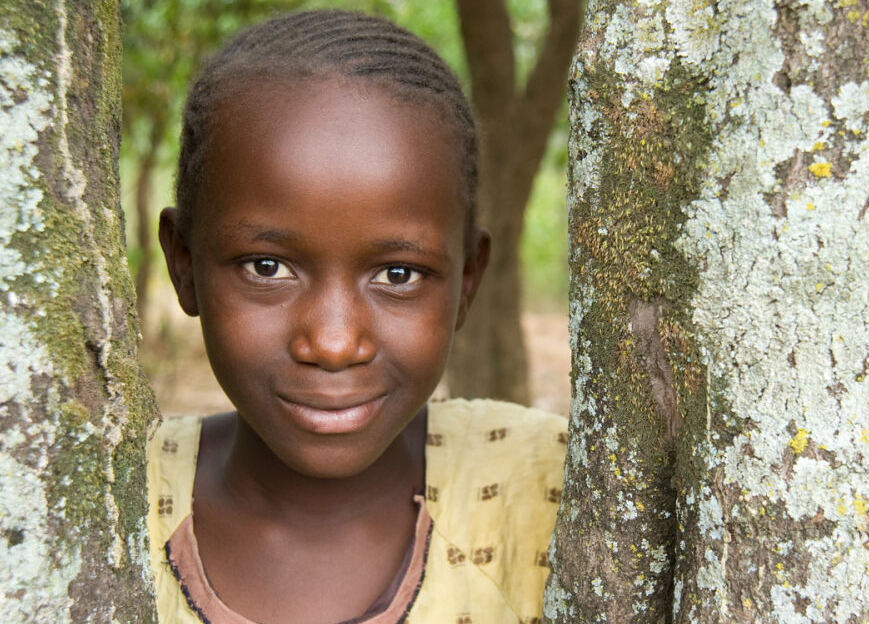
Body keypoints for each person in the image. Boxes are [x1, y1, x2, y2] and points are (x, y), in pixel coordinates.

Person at [147, 10, 567, 624]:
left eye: (398, 275)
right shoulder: (100, 500)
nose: (335, 343)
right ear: (184, 264)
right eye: (267, 267)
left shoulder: (548, 489)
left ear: (467, 282)